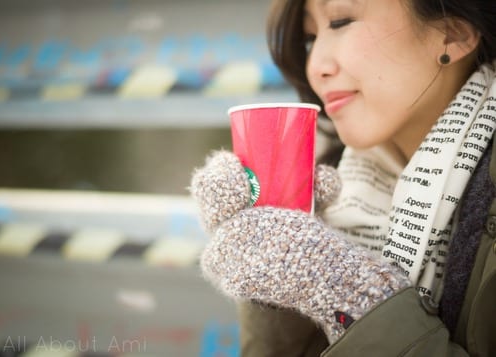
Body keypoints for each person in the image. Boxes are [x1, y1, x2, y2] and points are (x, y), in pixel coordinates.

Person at [190, 0, 496, 355]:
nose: (315, 66)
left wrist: (351, 294)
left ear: (452, 33)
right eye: (309, 38)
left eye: (340, 21)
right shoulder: (338, 179)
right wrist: (276, 283)